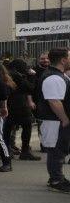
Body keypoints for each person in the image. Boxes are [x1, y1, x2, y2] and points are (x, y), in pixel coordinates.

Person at [36, 48, 70, 193]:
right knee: (56, 151)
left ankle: (58, 177)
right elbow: (54, 101)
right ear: (63, 60)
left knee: (59, 150)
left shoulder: (58, 75)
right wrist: (65, 119)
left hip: (56, 120)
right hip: (55, 121)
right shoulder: (53, 77)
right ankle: (56, 180)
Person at [6, 59, 39, 160]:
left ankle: (7, 150)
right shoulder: (17, 75)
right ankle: (24, 151)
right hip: (19, 105)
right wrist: (32, 76)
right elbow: (30, 88)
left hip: (10, 104)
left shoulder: (8, 74)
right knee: (26, 126)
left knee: (8, 128)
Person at [0, 63, 16, 172]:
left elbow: (3, 98)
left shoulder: (3, 85)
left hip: (0, 113)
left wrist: (3, 107)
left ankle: (7, 161)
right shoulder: (4, 83)